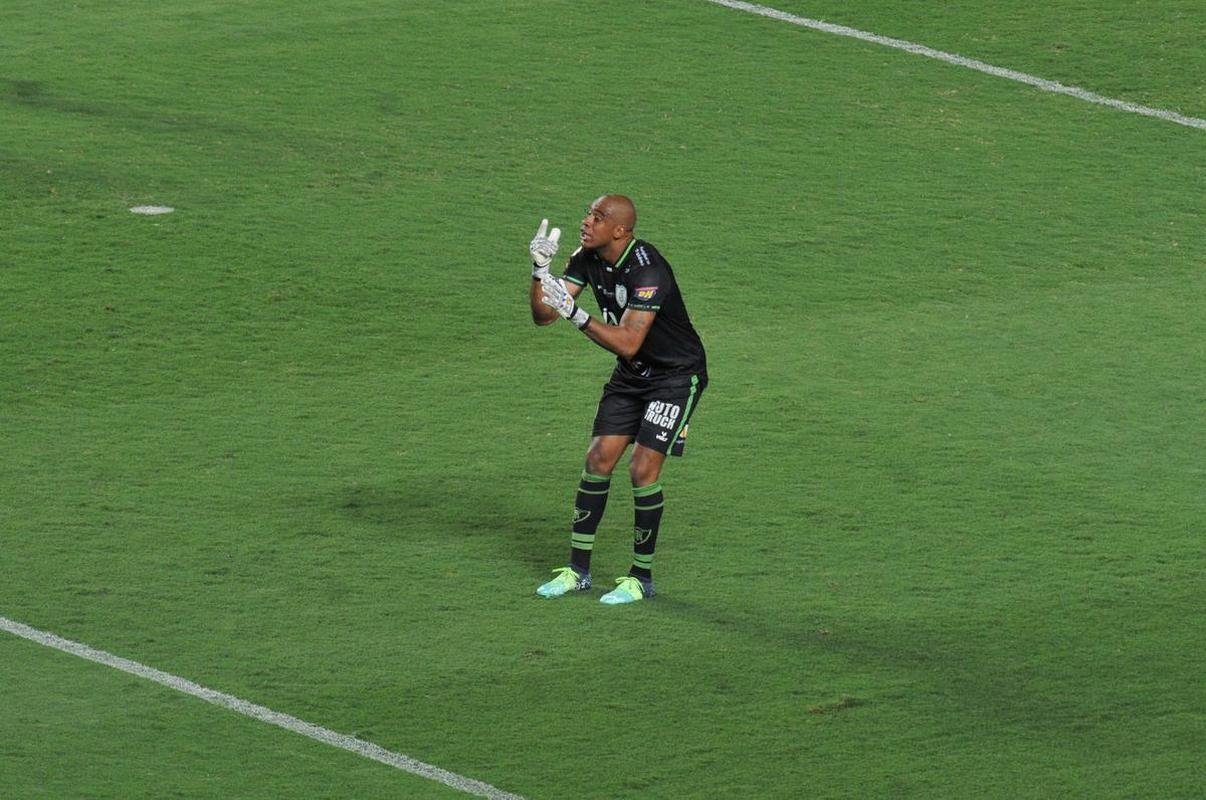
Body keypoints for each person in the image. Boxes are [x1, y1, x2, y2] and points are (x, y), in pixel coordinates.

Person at [528, 195, 708, 604]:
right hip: (632, 376)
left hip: (675, 377)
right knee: (598, 460)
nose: (587, 221)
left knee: (642, 468)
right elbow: (543, 316)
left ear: (621, 230)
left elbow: (628, 342)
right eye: (589, 213)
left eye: (598, 216)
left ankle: (640, 578)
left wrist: (577, 315)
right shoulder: (586, 257)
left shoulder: (648, 269)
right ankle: (578, 571)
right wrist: (540, 272)